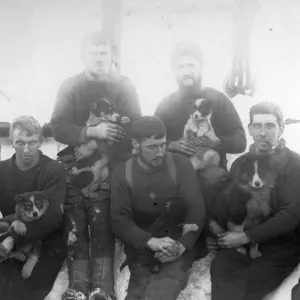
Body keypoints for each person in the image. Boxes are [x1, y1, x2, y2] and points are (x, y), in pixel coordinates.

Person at [50, 31, 141, 300]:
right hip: (75, 162)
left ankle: (103, 287)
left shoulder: (124, 85)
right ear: (83, 55)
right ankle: (77, 285)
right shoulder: (70, 86)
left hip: (111, 161)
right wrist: (90, 132)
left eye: (103, 52)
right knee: (74, 212)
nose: (99, 58)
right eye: (93, 52)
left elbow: (135, 124)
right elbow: (58, 126)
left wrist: (103, 137)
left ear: (112, 56)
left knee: (101, 212)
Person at [210, 102, 300, 300]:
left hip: (281, 245)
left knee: (248, 283)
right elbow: (228, 204)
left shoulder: (294, 165)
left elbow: (291, 215)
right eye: (257, 126)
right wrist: (221, 231)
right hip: (243, 238)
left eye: (270, 126)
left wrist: (247, 236)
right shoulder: (241, 164)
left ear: (281, 128)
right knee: (220, 268)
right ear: (250, 129)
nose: (262, 133)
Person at [110, 116, 206, 300]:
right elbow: (119, 219)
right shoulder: (123, 173)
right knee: (139, 284)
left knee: (169, 282)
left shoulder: (180, 164)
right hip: (144, 238)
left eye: (163, 144)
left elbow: (196, 209)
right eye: (152, 147)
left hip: (177, 235)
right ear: (136, 144)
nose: (160, 152)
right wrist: (150, 241)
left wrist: (182, 246)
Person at [154, 41, 246, 203]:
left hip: (211, 170)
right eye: (181, 67)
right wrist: (170, 145)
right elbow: (150, 140)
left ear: (201, 67)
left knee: (216, 185)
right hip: (174, 169)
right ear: (174, 70)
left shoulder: (218, 99)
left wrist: (217, 141)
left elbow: (240, 142)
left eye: (191, 65)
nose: (186, 71)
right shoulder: (165, 105)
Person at [0, 115, 66, 300]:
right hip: (12, 239)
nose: (26, 149)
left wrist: (11, 238)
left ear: (41, 142)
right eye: (20, 142)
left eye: (32, 142)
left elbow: (53, 216)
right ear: (11, 142)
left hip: (47, 241)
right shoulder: (1, 171)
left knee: (28, 291)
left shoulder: (54, 170)